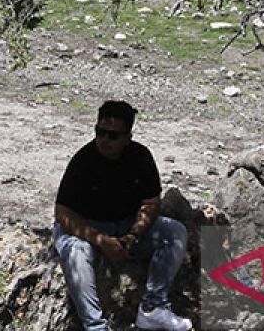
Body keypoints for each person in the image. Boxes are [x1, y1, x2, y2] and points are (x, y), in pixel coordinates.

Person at [53, 100, 193, 331]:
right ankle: (95, 326)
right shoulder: (83, 161)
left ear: (127, 137)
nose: (105, 140)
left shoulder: (141, 158)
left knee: (174, 232)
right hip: (86, 227)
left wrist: (133, 235)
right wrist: (100, 240)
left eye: (113, 135)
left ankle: (153, 307)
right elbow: (63, 213)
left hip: (125, 225)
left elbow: (151, 203)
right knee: (75, 252)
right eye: (100, 132)